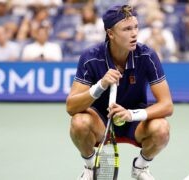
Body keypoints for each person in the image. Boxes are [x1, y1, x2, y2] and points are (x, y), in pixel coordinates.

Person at [66, 4, 173, 180]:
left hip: (134, 122)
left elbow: (167, 105)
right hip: (100, 121)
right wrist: (100, 85)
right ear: (110, 34)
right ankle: (92, 167)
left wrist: (131, 114)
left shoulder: (147, 56)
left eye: (136, 27)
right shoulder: (90, 57)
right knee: (79, 122)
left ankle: (140, 167)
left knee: (162, 128)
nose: (134, 33)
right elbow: (71, 106)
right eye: (127, 29)